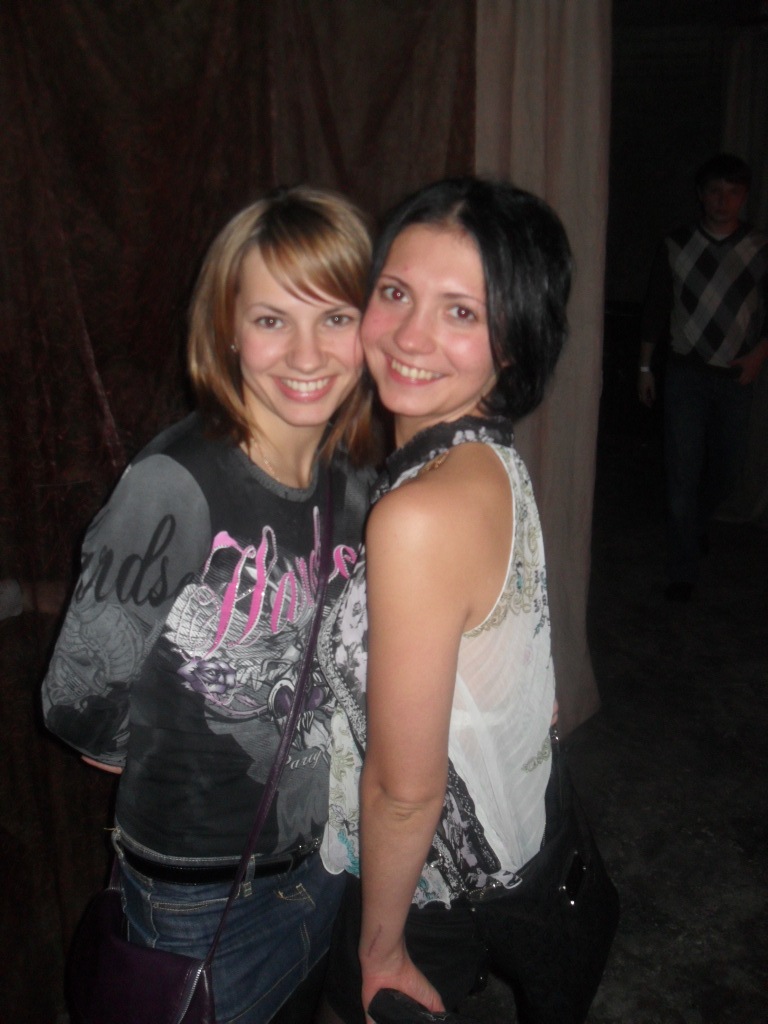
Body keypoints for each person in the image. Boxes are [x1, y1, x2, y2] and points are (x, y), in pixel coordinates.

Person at [41, 185, 379, 1024]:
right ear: (227, 329)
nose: (306, 352)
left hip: (326, 867)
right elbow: (78, 701)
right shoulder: (174, 484)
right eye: (271, 320)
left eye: (335, 317)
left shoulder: (358, 485)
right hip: (198, 902)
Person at [315, 178, 600, 1024]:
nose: (411, 336)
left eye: (461, 312)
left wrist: (379, 950)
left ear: (514, 343)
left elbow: (405, 793)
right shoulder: (488, 457)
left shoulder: (418, 516)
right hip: (514, 849)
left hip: (427, 896)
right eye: (396, 293)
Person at [638, 153, 768, 601]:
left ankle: (693, 524)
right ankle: (683, 569)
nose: (722, 201)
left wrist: (759, 355)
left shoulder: (759, 248)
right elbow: (655, 308)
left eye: (732, 192)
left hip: (736, 376)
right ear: (701, 194)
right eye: (714, 191)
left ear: (744, 197)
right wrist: (644, 367)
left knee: (727, 471)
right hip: (685, 374)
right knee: (682, 473)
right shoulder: (676, 245)